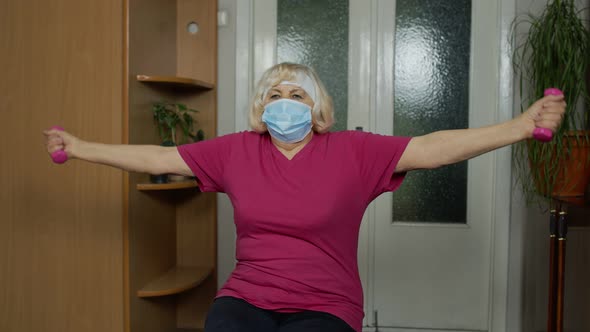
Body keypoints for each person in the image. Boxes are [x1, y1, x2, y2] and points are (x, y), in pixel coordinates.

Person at [44, 62, 565, 332]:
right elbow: (159, 159)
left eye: (297, 94)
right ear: (259, 107)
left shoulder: (352, 152)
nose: (285, 103)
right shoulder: (235, 152)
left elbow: (433, 149)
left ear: (318, 108)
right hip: (246, 297)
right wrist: (81, 147)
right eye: (274, 94)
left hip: (326, 305)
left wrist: (518, 127)